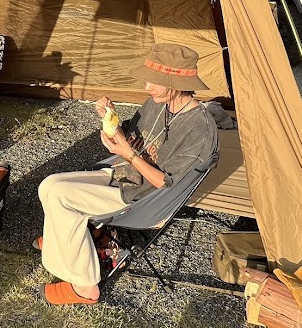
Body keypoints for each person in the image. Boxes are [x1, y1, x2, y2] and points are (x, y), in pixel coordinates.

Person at [34, 43, 219, 306]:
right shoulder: (159, 102)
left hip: (142, 198)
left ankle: (86, 287)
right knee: (49, 184)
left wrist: (128, 154)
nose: (147, 87)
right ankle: (63, 240)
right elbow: (132, 139)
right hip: (124, 173)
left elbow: (164, 182)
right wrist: (110, 120)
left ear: (175, 84)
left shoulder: (199, 129)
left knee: (61, 197)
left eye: (154, 81)